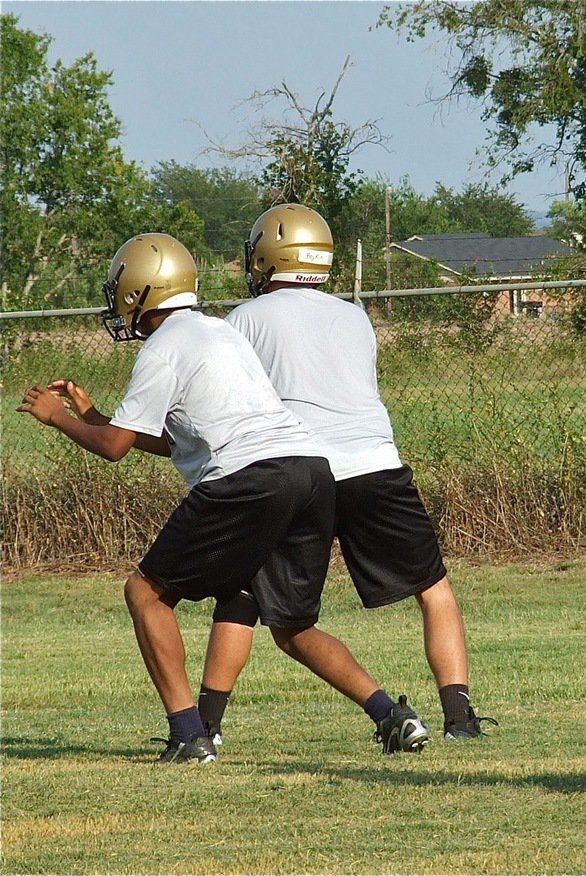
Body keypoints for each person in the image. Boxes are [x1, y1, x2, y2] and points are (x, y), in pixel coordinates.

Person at [18, 233, 427, 763]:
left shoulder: (164, 346)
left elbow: (115, 449)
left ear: (141, 289)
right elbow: (175, 441)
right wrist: (93, 418)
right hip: (309, 469)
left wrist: (58, 421)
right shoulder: (218, 332)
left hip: (250, 476)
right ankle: (392, 717)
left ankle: (190, 736)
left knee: (145, 594)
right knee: (294, 626)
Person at [195, 203, 493, 747]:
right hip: (374, 463)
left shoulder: (245, 319)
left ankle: (205, 729)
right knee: (434, 589)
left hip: (298, 470)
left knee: (247, 599)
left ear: (267, 256)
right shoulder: (354, 315)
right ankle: (460, 718)